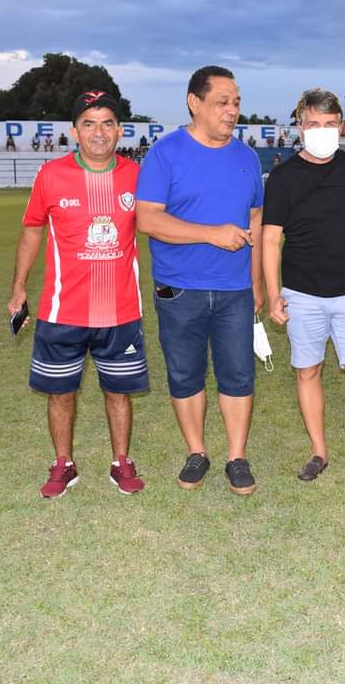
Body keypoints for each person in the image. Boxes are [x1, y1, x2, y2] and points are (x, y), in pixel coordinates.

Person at [6, 91, 148, 499]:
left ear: (120, 130)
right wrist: (18, 287)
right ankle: (63, 464)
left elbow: (161, 225)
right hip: (61, 309)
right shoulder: (51, 175)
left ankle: (121, 462)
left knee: (118, 391)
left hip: (120, 310)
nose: (99, 132)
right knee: (60, 392)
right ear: (74, 131)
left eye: (107, 123)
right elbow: (33, 229)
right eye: (89, 123)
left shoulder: (137, 175)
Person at [136, 65, 265, 496]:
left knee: (238, 375)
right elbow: (148, 219)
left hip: (234, 290)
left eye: (237, 102)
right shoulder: (165, 153)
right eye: (222, 102)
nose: (232, 111)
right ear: (195, 102)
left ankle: (236, 456)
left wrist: (258, 281)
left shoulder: (247, 157)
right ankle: (197, 451)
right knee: (185, 374)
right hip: (179, 288)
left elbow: (255, 221)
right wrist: (211, 234)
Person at [262, 88, 345, 491]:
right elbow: (270, 239)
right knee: (308, 371)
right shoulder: (284, 177)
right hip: (301, 292)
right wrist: (273, 294)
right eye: (313, 124)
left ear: (340, 125)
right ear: (300, 127)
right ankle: (318, 451)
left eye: (330, 124)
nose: (322, 130)